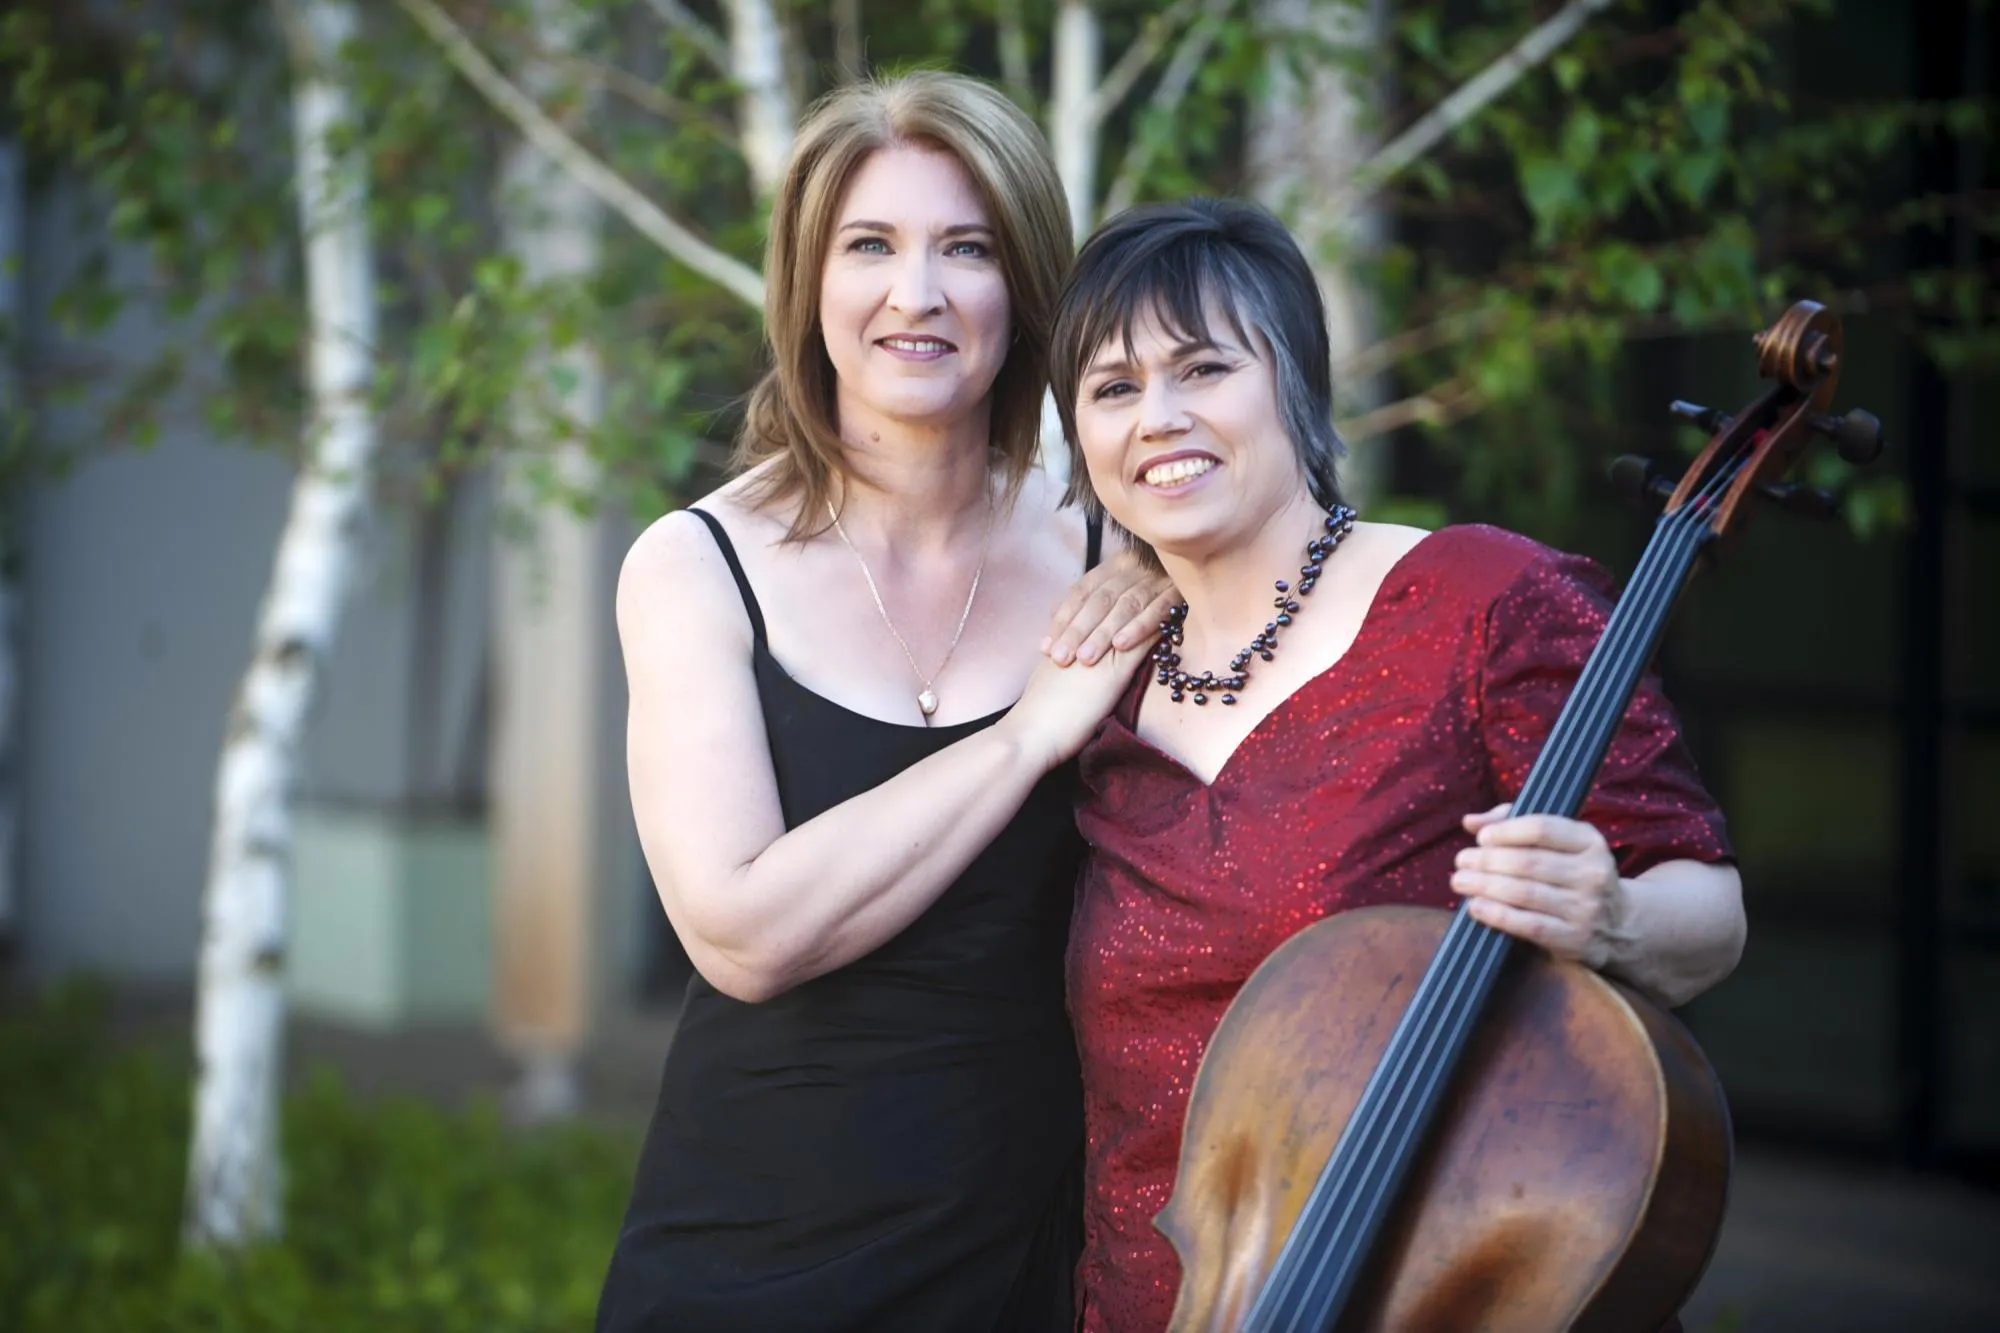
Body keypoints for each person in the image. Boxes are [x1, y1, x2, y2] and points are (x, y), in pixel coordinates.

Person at [1046, 198, 1747, 1332]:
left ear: (1295, 385)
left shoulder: (1482, 603)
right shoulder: (1094, 675)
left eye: (1204, 368)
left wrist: (1610, 917)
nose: (1157, 419)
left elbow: (1706, 908)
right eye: (1113, 388)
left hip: (1419, 1293)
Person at [594, 73, 1165, 1332]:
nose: (917, 293)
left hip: (1033, 1248)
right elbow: (741, 934)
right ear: (809, 282)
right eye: (871, 246)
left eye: (966, 248)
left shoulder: (1118, 550)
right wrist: (1024, 739)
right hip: (750, 1254)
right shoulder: (694, 567)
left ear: (1026, 288)